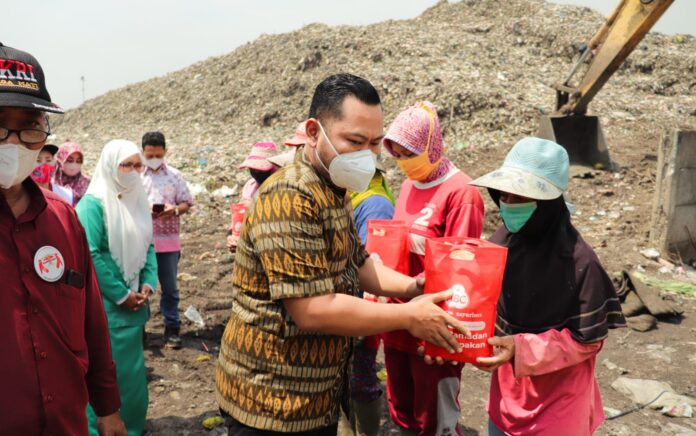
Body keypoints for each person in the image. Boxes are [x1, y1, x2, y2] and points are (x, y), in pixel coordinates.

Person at [215, 73, 470, 435]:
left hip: (314, 395)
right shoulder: (291, 195)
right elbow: (312, 310)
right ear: (314, 131)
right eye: (354, 141)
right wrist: (409, 317)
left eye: (375, 143)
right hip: (271, 400)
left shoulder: (334, 188)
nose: (367, 154)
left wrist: (415, 287)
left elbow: (359, 262)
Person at [0, 42, 126, 435]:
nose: (14, 142)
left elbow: (92, 321)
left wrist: (107, 409)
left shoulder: (63, 219)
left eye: (30, 126)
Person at [469, 137, 627, 435]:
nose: (509, 205)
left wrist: (520, 348)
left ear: (547, 203)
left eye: (521, 197)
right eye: (505, 196)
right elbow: (483, 305)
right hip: (507, 397)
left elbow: (587, 340)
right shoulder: (501, 244)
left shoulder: (580, 262)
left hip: (558, 406)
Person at [381, 101, 485, 436]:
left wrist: (446, 340)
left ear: (431, 146)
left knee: (433, 419)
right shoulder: (411, 183)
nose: (402, 163)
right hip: (399, 317)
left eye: (408, 153)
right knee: (402, 410)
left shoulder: (461, 193)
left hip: (433, 326)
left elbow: (462, 272)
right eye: (396, 155)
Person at [76, 139, 158, 436]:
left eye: (138, 165)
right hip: (106, 310)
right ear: (111, 166)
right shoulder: (93, 204)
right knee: (106, 378)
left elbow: (148, 245)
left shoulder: (138, 200)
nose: (134, 171)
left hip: (135, 307)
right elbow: (90, 253)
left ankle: (132, 429)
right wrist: (122, 295)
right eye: (127, 165)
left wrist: (148, 284)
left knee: (133, 380)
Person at [343, 157, 396, 436]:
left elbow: (374, 261)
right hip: (348, 305)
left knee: (360, 379)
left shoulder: (374, 203)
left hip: (362, 307)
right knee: (348, 379)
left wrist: (364, 320)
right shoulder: (354, 198)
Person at [140, 131, 194, 349]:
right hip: (142, 241)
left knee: (170, 288)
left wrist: (174, 210)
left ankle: (172, 328)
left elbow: (187, 203)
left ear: (165, 152)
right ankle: (139, 330)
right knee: (139, 287)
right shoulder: (136, 176)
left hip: (168, 242)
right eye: (149, 154)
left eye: (158, 154)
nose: (154, 158)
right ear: (142, 152)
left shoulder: (174, 175)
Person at [226, 141, 281, 253]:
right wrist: (232, 236)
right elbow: (241, 219)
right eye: (253, 169)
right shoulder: (250, 186)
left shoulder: (281, 188)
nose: (256, 172)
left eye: (260, 169)